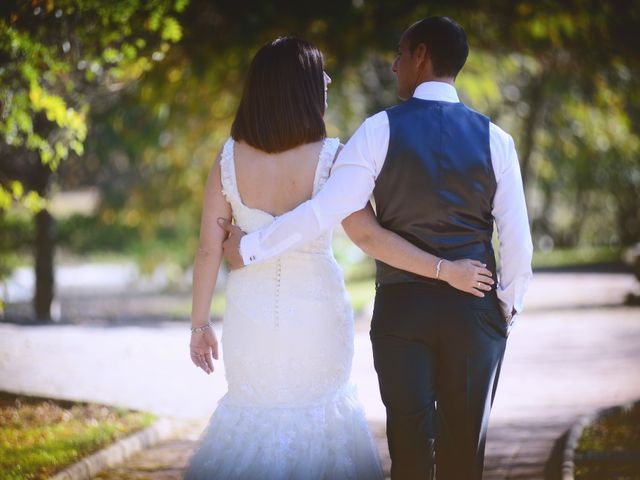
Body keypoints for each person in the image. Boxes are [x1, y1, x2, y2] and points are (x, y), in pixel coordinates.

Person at [220, 17, 534, 480]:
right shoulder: (497, 139)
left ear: (422, 55)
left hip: (402, 311)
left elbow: (325, 211)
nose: (393, 66)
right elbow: (517, 241)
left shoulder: (377, 131)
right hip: (475, 308)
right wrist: (504, 309)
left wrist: (251, 248)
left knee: (407, 449)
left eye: (401, 54)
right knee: (464, 451)